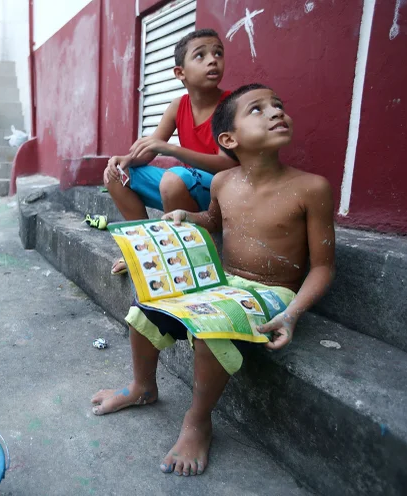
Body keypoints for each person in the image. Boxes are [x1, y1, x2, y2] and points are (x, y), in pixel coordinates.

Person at [91, 83, 335, 477]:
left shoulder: (311, 187)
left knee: (208, 327)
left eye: (279, 105)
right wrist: (188, 217)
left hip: (273, 292)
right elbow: (215, 223)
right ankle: (142, 386)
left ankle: (198, 420)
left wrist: (293, 312)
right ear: (228, 138)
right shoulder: (223, 183)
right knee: (148, 304)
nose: (275, 112)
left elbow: (323, 267)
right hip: (225, 283)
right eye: (258, 109)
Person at [105, 29, 238, 275]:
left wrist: (171, 149)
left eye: (218, 53)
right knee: (116, 175)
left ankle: (178, 255)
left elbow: (227, 165)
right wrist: (125, 160)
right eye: (200, 56)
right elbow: (149, 150)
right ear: (180, 73)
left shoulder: (231, 105)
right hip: (187, 187)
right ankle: (144, 250)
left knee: (173, 179)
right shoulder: (178, 105)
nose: (212, 60)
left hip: (221, 193)